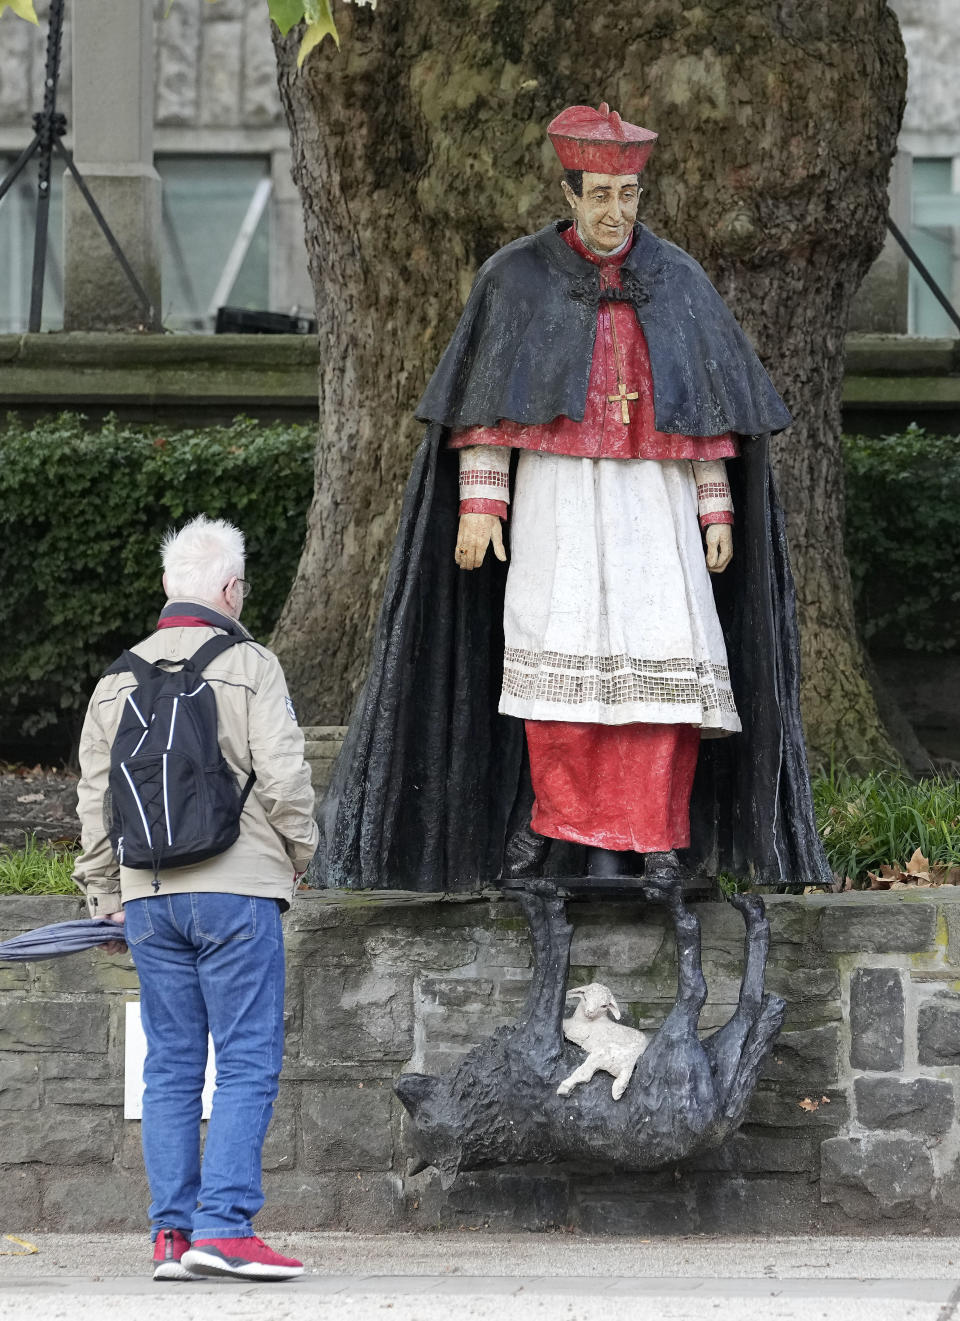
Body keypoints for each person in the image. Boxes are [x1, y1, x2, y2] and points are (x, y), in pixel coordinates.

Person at [319, 103, 830, 894]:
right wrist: (483, 501)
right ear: (570, 193)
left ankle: (659, 834)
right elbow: (488, 399)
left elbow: (705, 404)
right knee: (555, 666)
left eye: (627, 197)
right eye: (598, 195)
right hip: (556, 501)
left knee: (664, 661)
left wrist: (715, 505)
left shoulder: (678, 280)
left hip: (654, 508)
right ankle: (558, 823)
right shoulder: (515, 281)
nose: (613, 212)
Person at [73, 514, 318, 1282]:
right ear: (231, 588)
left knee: (172, 1065)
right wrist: (300, 855)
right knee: (246, 1058)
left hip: (148, 897)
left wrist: (105, 893)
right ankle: (227, 1227)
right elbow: (283, 776)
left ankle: (172, 1237)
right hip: (236, 890)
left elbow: (93, 799)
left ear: (168, 589)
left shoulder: (116, 677)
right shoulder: (251, 663)